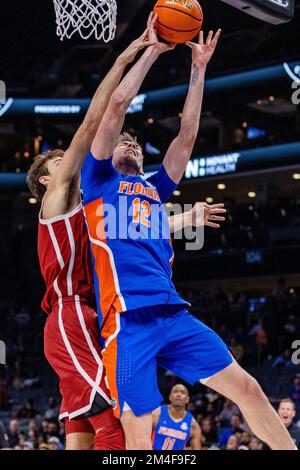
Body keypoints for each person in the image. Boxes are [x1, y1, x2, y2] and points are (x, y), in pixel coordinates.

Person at [80, 11, 297, 450]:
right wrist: (152, 52)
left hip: (173, 314)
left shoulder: (155, 191)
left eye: (137, 143)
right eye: (125, 140)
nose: (130, 141)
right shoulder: (98, 181)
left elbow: (188, 133)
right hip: (128, 322)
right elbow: (116, 107)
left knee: (250, 389)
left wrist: (198, 68)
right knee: (141, 435)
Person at [26, 28, 155, 450]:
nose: (69, 163)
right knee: (113, 421)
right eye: (61, 162)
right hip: (69, 315)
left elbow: (137, 229)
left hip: (91, 315)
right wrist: (123, 59)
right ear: (46, 180)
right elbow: (94, 123)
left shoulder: (90, 210)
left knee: (81, 429)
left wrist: (188, 216)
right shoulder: (57, 200)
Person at [152, 384, 201, 450]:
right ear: (170, 397)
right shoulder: (156, 413)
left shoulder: (193, 425)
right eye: (175, 391)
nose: (179, 395)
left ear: (187, 399)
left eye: (182, 392)